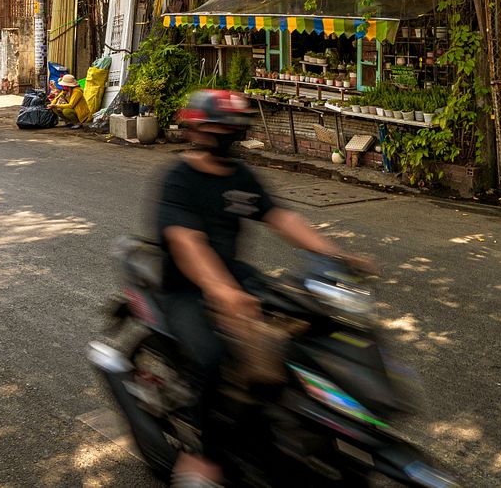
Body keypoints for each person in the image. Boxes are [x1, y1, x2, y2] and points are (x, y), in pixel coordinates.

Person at [155, 89, 375, 488]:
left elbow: (281, 217)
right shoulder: (179, 179)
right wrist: (220, 290)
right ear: (198, 130)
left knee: (306, 323)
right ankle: (201, 459)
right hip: (185, 288)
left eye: (231, 128)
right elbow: (187, 244)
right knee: (214, 359)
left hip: (236, 278)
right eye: (217, 127)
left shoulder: (240, 175)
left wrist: (338, 256)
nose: (225, 134)